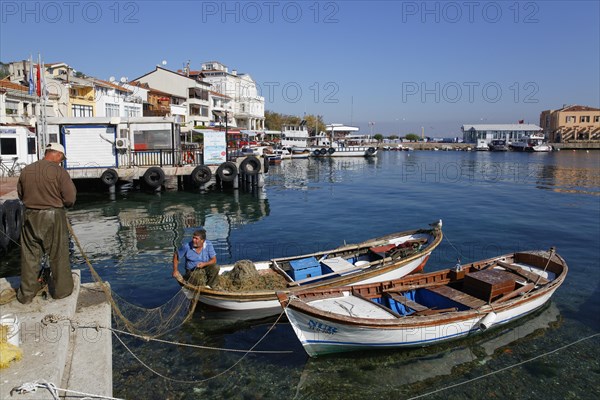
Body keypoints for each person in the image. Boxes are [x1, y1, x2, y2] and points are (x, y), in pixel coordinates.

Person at [16, 142, 77, 304]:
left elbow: (21, 194)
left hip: (30, 215)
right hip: (53, 216)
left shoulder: (26, 170)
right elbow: (70, 198)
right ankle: (62, 292)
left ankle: (26, 295)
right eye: (62, 158)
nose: (61, 161)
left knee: (29, 255)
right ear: (57, 154)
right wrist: (64, 204)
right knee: (58, 253)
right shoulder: (59, 171)